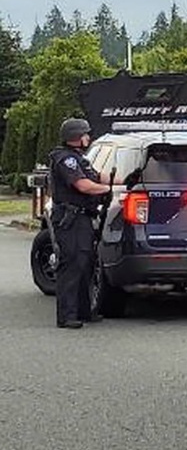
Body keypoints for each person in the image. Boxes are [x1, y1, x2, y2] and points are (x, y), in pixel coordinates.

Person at [48, 118, 111, 329]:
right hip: (70, 219)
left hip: (83, 218)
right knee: (72, 265)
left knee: (85, 264)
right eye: (86, 134)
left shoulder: (79, 158)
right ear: (76, 137)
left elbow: (97, 177)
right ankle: (67, 316)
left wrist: (127, 180)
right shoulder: (65, 159)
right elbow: (83, 185)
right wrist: (110, 190)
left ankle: (84, 311)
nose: (88, 137)